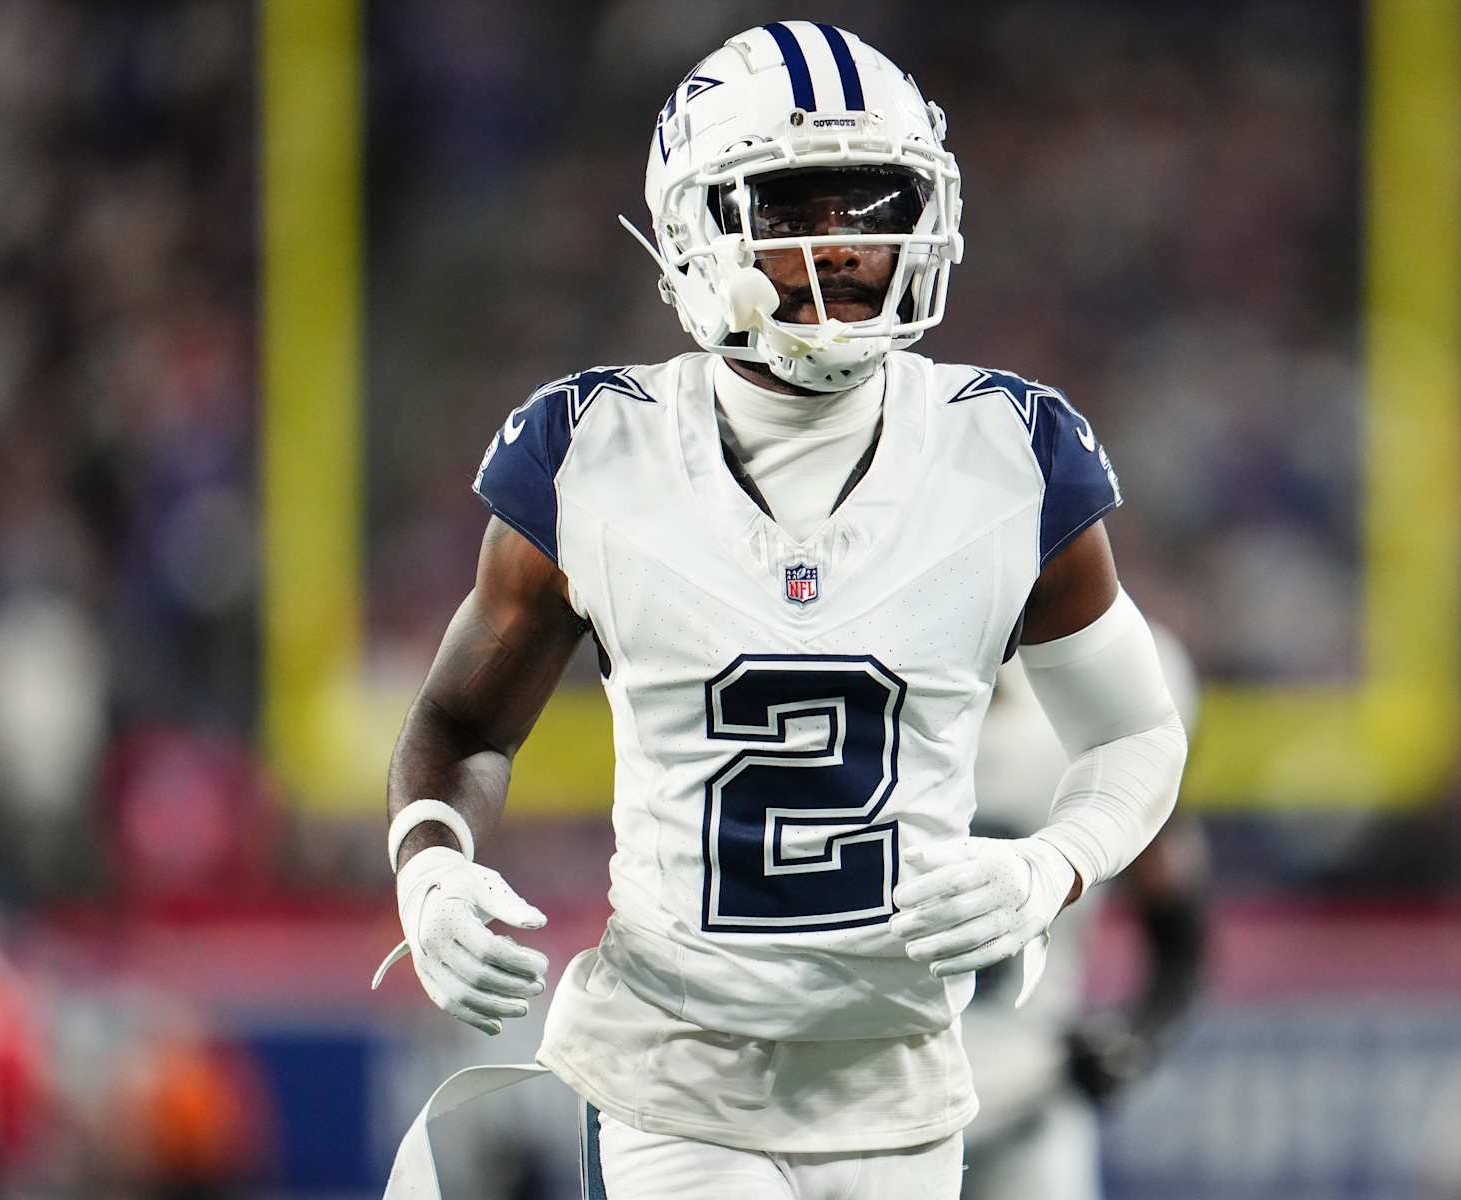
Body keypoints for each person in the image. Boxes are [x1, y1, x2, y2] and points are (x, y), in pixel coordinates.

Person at [380, 21, 1188, 1200]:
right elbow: (460, 727)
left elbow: (1134, 736)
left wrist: (1047, 872)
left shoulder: (1013, 452)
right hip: (676, 1079)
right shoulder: (589, 452)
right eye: (799, 206)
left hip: (903, 1084)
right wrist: (431, 864)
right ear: (696, 229)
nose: (853, 247)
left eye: (878, 203)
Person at [958, 629, 1210, 1200]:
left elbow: (1178, 933)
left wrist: (1131, 1038)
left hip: (1026, 1104)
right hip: (864, 1111)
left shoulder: (1123, 672)